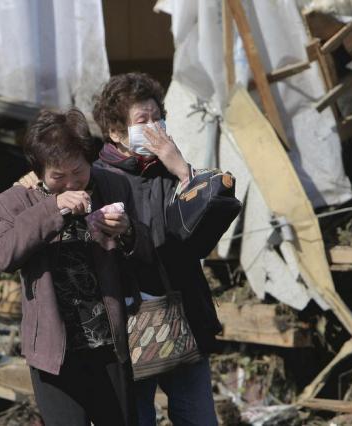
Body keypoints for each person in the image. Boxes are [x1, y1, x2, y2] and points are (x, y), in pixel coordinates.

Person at [0, 108, 153, 426]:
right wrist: (53, 208)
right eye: (58, 177)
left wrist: (128, 231)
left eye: (78, 172)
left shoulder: (114, 186)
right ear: (38, 171)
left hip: (109, 343)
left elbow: (146, 255)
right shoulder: (14, 202)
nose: (70, 183)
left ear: (89, 160)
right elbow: (5, 255)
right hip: (55, 350)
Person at [92, 72, 221, 426]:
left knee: (198, 417)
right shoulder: (98, 179)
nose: (154, 128)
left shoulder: (170, 170)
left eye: (157, 117)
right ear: (116, 132)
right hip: (128, 322)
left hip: (184, 313)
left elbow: (204, 234)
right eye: (142, 121)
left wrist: (182, 170)